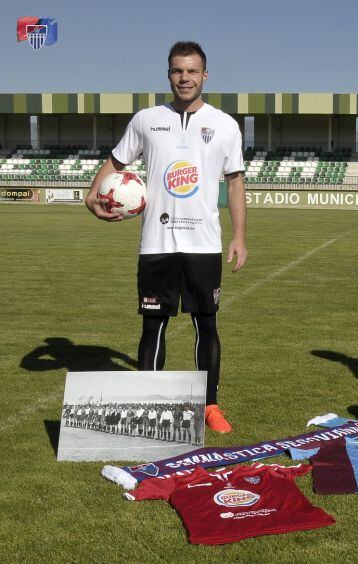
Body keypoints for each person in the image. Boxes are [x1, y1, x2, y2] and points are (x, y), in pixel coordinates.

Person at [86, 41, 247, 433]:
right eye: (178, 70)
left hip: (204, 244)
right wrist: (93, 193)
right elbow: (116, 161)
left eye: (192, 71)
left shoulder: (225, 125)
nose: (185, 78)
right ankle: (146, 407)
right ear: (168, 74)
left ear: (205, 75)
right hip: (156, 243)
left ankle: (209, 405)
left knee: (205, 324)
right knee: (153, 326)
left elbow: (236, 181)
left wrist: (240, 235)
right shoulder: (146, 120)